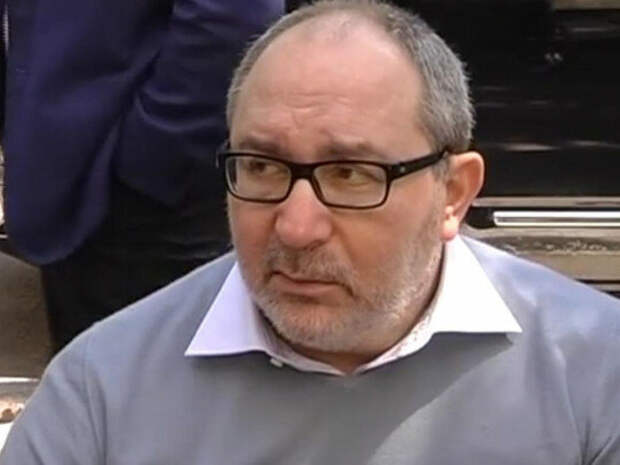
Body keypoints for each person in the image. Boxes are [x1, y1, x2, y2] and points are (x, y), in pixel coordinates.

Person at [2, 1, 620, 463]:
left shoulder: (593, 371)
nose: (296, 228)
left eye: (350, 175)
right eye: (262, 168)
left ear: (453, 194)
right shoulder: (102, 392)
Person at [2, 0, 283, 352]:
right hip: (66, 184)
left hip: (148, 203)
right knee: (88, 376)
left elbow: (232, 18)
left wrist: (146, 163)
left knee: (155, 378)